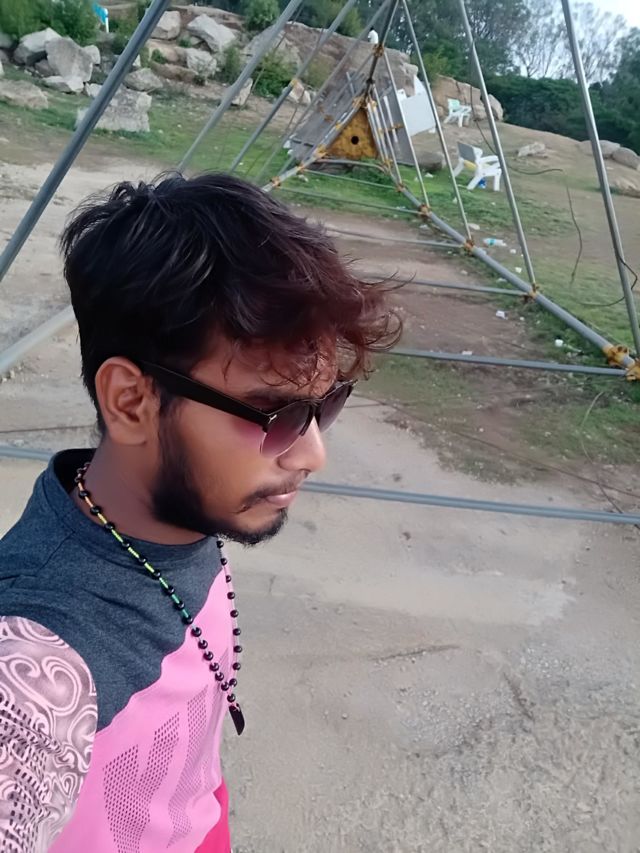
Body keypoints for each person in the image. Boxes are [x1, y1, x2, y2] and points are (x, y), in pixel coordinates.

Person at [0, 173, 399, 852]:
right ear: (131, 401)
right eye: (274, 414)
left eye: (326, 405)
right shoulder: (38, 667)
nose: (314, 454)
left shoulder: (182, 515)